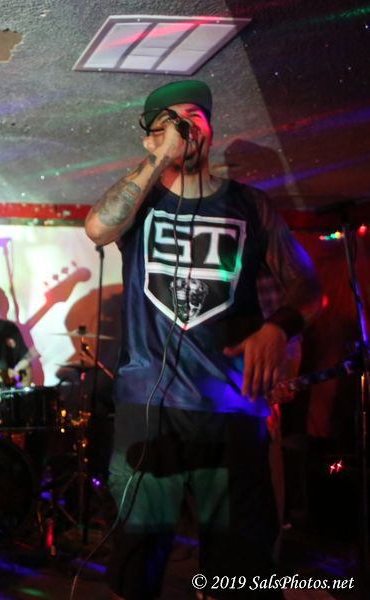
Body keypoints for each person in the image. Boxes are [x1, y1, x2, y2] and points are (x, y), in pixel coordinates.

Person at [84, 80, 322, 599]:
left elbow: (309, 288)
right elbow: (98, 228)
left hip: (231, 406)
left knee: (241, 572)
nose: (185, 125)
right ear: (150, 138)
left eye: (194, 115)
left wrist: (278, 328)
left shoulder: (251, 206)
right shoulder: (140, 202)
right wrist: (159, 158)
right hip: (148, 406)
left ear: (211, 130)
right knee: (137, 566)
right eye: (169, 120)